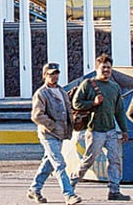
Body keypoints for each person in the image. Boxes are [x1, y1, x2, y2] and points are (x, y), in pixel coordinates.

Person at [70, 54, 130, 201]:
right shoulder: (88, 84)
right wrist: (93, 103)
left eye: (109, 68)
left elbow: (119, 111)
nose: (106, 70)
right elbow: (76, 104)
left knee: (115, 160)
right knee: (89, 160)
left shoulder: (115, 87)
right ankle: (70, 184)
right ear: (97, 68)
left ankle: (114, 191)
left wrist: (124, 130)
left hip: (111, 131)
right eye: (103, 67)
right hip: (95, 130)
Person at [27, 63, 82, 205]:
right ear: (45, 75)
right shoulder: (41, 93)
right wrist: (53, 125)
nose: (54, 76)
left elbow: (68, 110)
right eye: (51, 74)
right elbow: (36, 115)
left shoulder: (62, 91)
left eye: (56, 73)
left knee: (48, 163)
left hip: (61, 134)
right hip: (48, 134)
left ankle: (34, 189)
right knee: (59, 164)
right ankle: (69, 194)